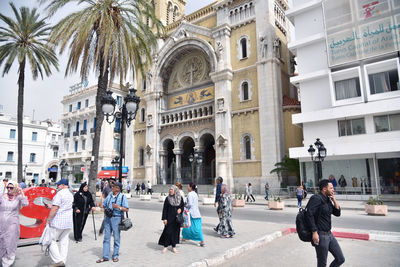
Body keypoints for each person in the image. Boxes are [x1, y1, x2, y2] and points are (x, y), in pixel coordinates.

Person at [306, 179, 345, 267]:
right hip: (320, 235)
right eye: (331, 188)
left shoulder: (327, 199)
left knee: (340, 259)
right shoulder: (316, 198)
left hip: (329, 234)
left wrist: (334, 200)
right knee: (322, 263)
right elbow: (309, 215)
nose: (333, 190)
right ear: (324, 189)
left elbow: (337, 213)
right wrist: (314, 232)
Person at [96, 182, 129, 263]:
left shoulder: (122, 197)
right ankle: (105, 256)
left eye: (114, 187)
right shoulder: (110, 195)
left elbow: (127, 209)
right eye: (112, 186)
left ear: (118, 188)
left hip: (117, 219)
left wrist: (118, 207)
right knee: (106, 238)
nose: (112, 188)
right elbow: (103, 204)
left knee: (116, 238)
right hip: (107, 218)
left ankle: (115, 256)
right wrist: (99, 206)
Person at [45, 179, 73, 267]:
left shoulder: (60, 194)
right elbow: (62, 206)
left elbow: (55, 208)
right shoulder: (70, 194)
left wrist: (48, 219)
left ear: (63, 185)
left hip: (58, 221)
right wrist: (51, 206)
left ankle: (58, 260)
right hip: (68, 221)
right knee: (64, 241)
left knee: (50, 240)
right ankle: (62, 260)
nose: (57, 186)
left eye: (59, 185)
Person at [0, 182, 29, 267]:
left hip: (12, 225)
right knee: (2, 242)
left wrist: (22, 192)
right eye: (8, 187)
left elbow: (26, 204)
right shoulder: (2, 196)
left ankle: (7, 263)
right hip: (1, 224)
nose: (9, 189)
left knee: (9, 243)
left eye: (11, 188)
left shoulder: (18, 197)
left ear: (16, 188)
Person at [158, 185, 184, 254]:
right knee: (167, 232)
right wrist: (164, 218)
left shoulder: (180, 198)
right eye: (170, 189)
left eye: (172, 190)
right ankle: (165, 246)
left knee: (175, 233)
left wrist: (180, 209)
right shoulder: (167, 198)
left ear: (175, 190)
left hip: (176, 219)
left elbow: (182, 206)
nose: (170, 191)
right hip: (169, 218)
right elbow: (165, 209)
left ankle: (173, 247)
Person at [182, 183, 205, 247]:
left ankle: (202, 241)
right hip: (196, 213)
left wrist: (185, 205)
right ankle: (184, 238)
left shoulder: (190, 194)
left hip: (191, 213)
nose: (187, 188)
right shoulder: (195, 194)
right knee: (187, 227)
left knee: (194, 228)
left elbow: (190, 204)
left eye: (188, 186)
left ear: (191, 187)